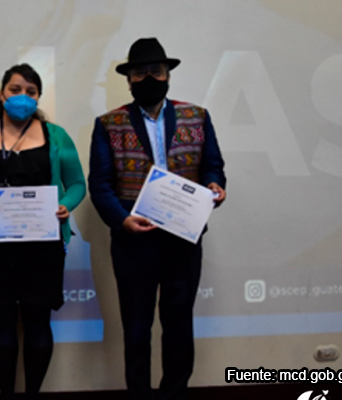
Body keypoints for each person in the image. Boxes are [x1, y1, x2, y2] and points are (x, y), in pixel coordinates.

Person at [88, 38, 227, 400]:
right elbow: (100, 184)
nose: (149, 77)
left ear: (167, 75)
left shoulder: (197, 117)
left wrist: (215, 184)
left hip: (183, 238)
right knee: (136, 327)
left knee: (179, 324)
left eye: (156, 70)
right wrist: (122, 221)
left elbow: (213, 166)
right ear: (129, 80)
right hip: (134, 241)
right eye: (140, 72)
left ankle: (174, 393)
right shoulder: (109, 124)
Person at [0, 64, 86, 399]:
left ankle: (33, 393)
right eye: (15, 90)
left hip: (43, 245)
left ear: (38, 97)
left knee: (39, 322)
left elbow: (77, 184)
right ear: (2, 94)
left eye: (30, 91)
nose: (22, 97)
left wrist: (65, 205)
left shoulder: (56, 136)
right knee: (0, 322)